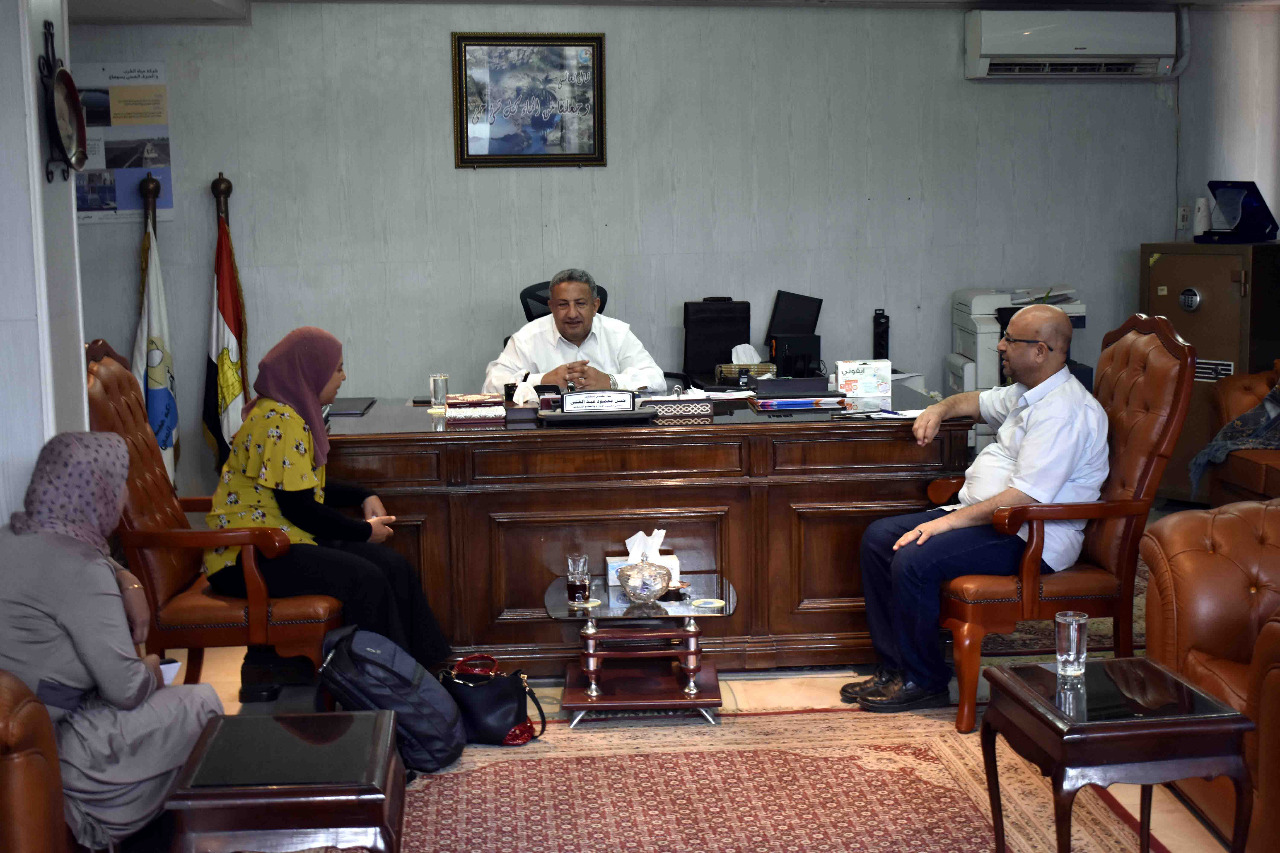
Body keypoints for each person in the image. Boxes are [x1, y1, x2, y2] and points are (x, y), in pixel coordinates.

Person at [843, 304, 1109, 712]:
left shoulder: (1065, 412)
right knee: (879, 538)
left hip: (1031, 535)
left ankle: (923, 680)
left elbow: (1023, 498)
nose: (1000, 346)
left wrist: (946, 523)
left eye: (1010, 340)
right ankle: (895, 669)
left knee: (914, 557)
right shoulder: (1027, 393)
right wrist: (938, 409)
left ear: (1040, 351)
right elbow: (974, 401)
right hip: (996, 523)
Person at [0, 433, 222, 848]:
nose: (125, 496)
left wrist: (124, 576)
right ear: (97, 492)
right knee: (201, 701)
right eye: (120, 483)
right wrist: (153, 667)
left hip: (25, 732)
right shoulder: (82, 570)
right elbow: (127, 689)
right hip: (63, 749)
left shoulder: (11, 536)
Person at [203, 327, 450, 695]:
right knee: (366, 579)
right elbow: (300, 508)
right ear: (310, 371)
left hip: (277, 542)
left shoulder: (287, 412)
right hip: (246, 556)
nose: (343, 377)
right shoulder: (279, 420)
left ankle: (426, 676)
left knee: (393, 566)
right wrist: (364, 531)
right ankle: (383, 690)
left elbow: (302, 487)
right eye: (337, 369)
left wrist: (363, 494)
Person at [483, 268, 667, 397]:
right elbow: (491, 385)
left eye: (580, 304)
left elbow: (657, 380)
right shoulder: (527, 338)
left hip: (608, 427)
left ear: (595, 305)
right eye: (563, 305)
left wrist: (609, 381)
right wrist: (542, 380)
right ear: (551, 307)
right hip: (546, 431)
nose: (572, 314)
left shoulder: (618, 333)